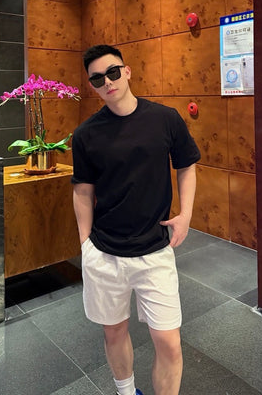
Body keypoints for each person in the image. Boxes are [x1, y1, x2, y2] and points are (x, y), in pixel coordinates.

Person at [72, 44, 200, 395]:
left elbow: (186, 165)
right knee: (114, 331)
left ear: (126, 71)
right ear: (92, 85)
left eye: (113, 72)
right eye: (97, 79)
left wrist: (186, 215)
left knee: (169, 342)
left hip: (154, 250)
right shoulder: (86, 134)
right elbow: (82, 190)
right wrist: (85, 244)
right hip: (104, 252)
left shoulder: (165, 118)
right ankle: (126, 391)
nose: (107, 82)